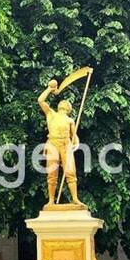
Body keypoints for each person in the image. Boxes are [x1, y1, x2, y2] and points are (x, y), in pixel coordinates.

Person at [37, 79, 83, 207]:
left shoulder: (70, 120)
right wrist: (50, 89)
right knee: (52, 173)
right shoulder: (51, 114)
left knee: (70, 172)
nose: (63, 104)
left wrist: (76, 143)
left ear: (68, 109)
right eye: (62, 103)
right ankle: (51, 200)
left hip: (66, 145)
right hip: (52, 143)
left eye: (66, 104)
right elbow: (40, 100)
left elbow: (74, 136)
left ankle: (75, 198)